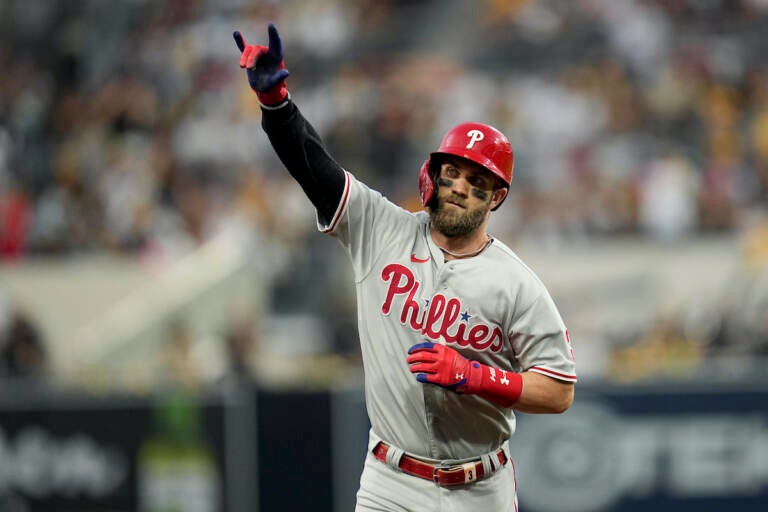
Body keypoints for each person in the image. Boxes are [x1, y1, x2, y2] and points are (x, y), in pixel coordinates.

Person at [233, 24, 577, 511]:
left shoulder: (515, 282)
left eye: (476, 180)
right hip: (390, 481)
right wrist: (276, 104)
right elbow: (313, 166)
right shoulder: (381, 229)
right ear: (431, 175)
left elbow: (558, 389)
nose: (459, 185)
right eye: (452, 171)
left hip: (482, 486)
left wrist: (475, 376)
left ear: (497, 197)